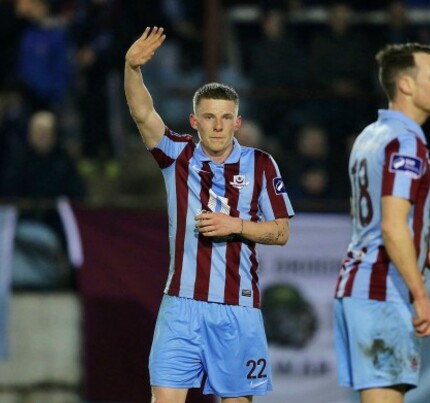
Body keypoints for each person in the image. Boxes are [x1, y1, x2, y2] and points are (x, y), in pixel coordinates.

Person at [124, 27, 294, 403]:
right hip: (180, 305)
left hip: (238, 307)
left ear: (238, 122)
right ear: (194, 121)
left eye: (225, 117)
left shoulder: (262, 165)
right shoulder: (176, 155)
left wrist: (236, 225)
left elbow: (282, 233)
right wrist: (132, 68)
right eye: (209, 117)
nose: (217, 126)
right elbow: (142, 114)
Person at [333, 43, 430, 403]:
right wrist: (421, 297)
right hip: (380, 291)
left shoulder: (370, 135)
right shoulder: (406, 143)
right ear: (406, 84)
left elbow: (372, 219)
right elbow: (390, 226)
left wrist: (423, 251)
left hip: (357, 287)